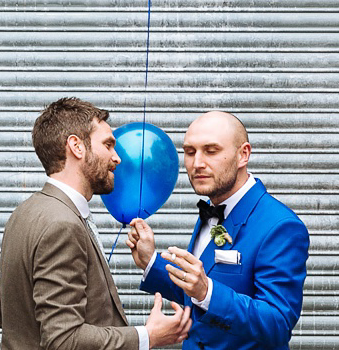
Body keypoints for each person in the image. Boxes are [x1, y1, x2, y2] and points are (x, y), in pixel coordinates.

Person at [0, 97, 191, 350]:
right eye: (108, 145)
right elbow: (63, 340)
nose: (117, 158)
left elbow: (3, 312)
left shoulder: (23, 214)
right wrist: (147, 336)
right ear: (76, 146)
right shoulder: (62, 225)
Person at [126, 111, 309, 350]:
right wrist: (150, 261)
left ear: (243, 154)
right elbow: (197, 292)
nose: (197, 163)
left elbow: (277, 324)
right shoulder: (213, 207)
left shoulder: (281, 226)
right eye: (190, 152)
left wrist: (207, 291)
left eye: (211, 151)